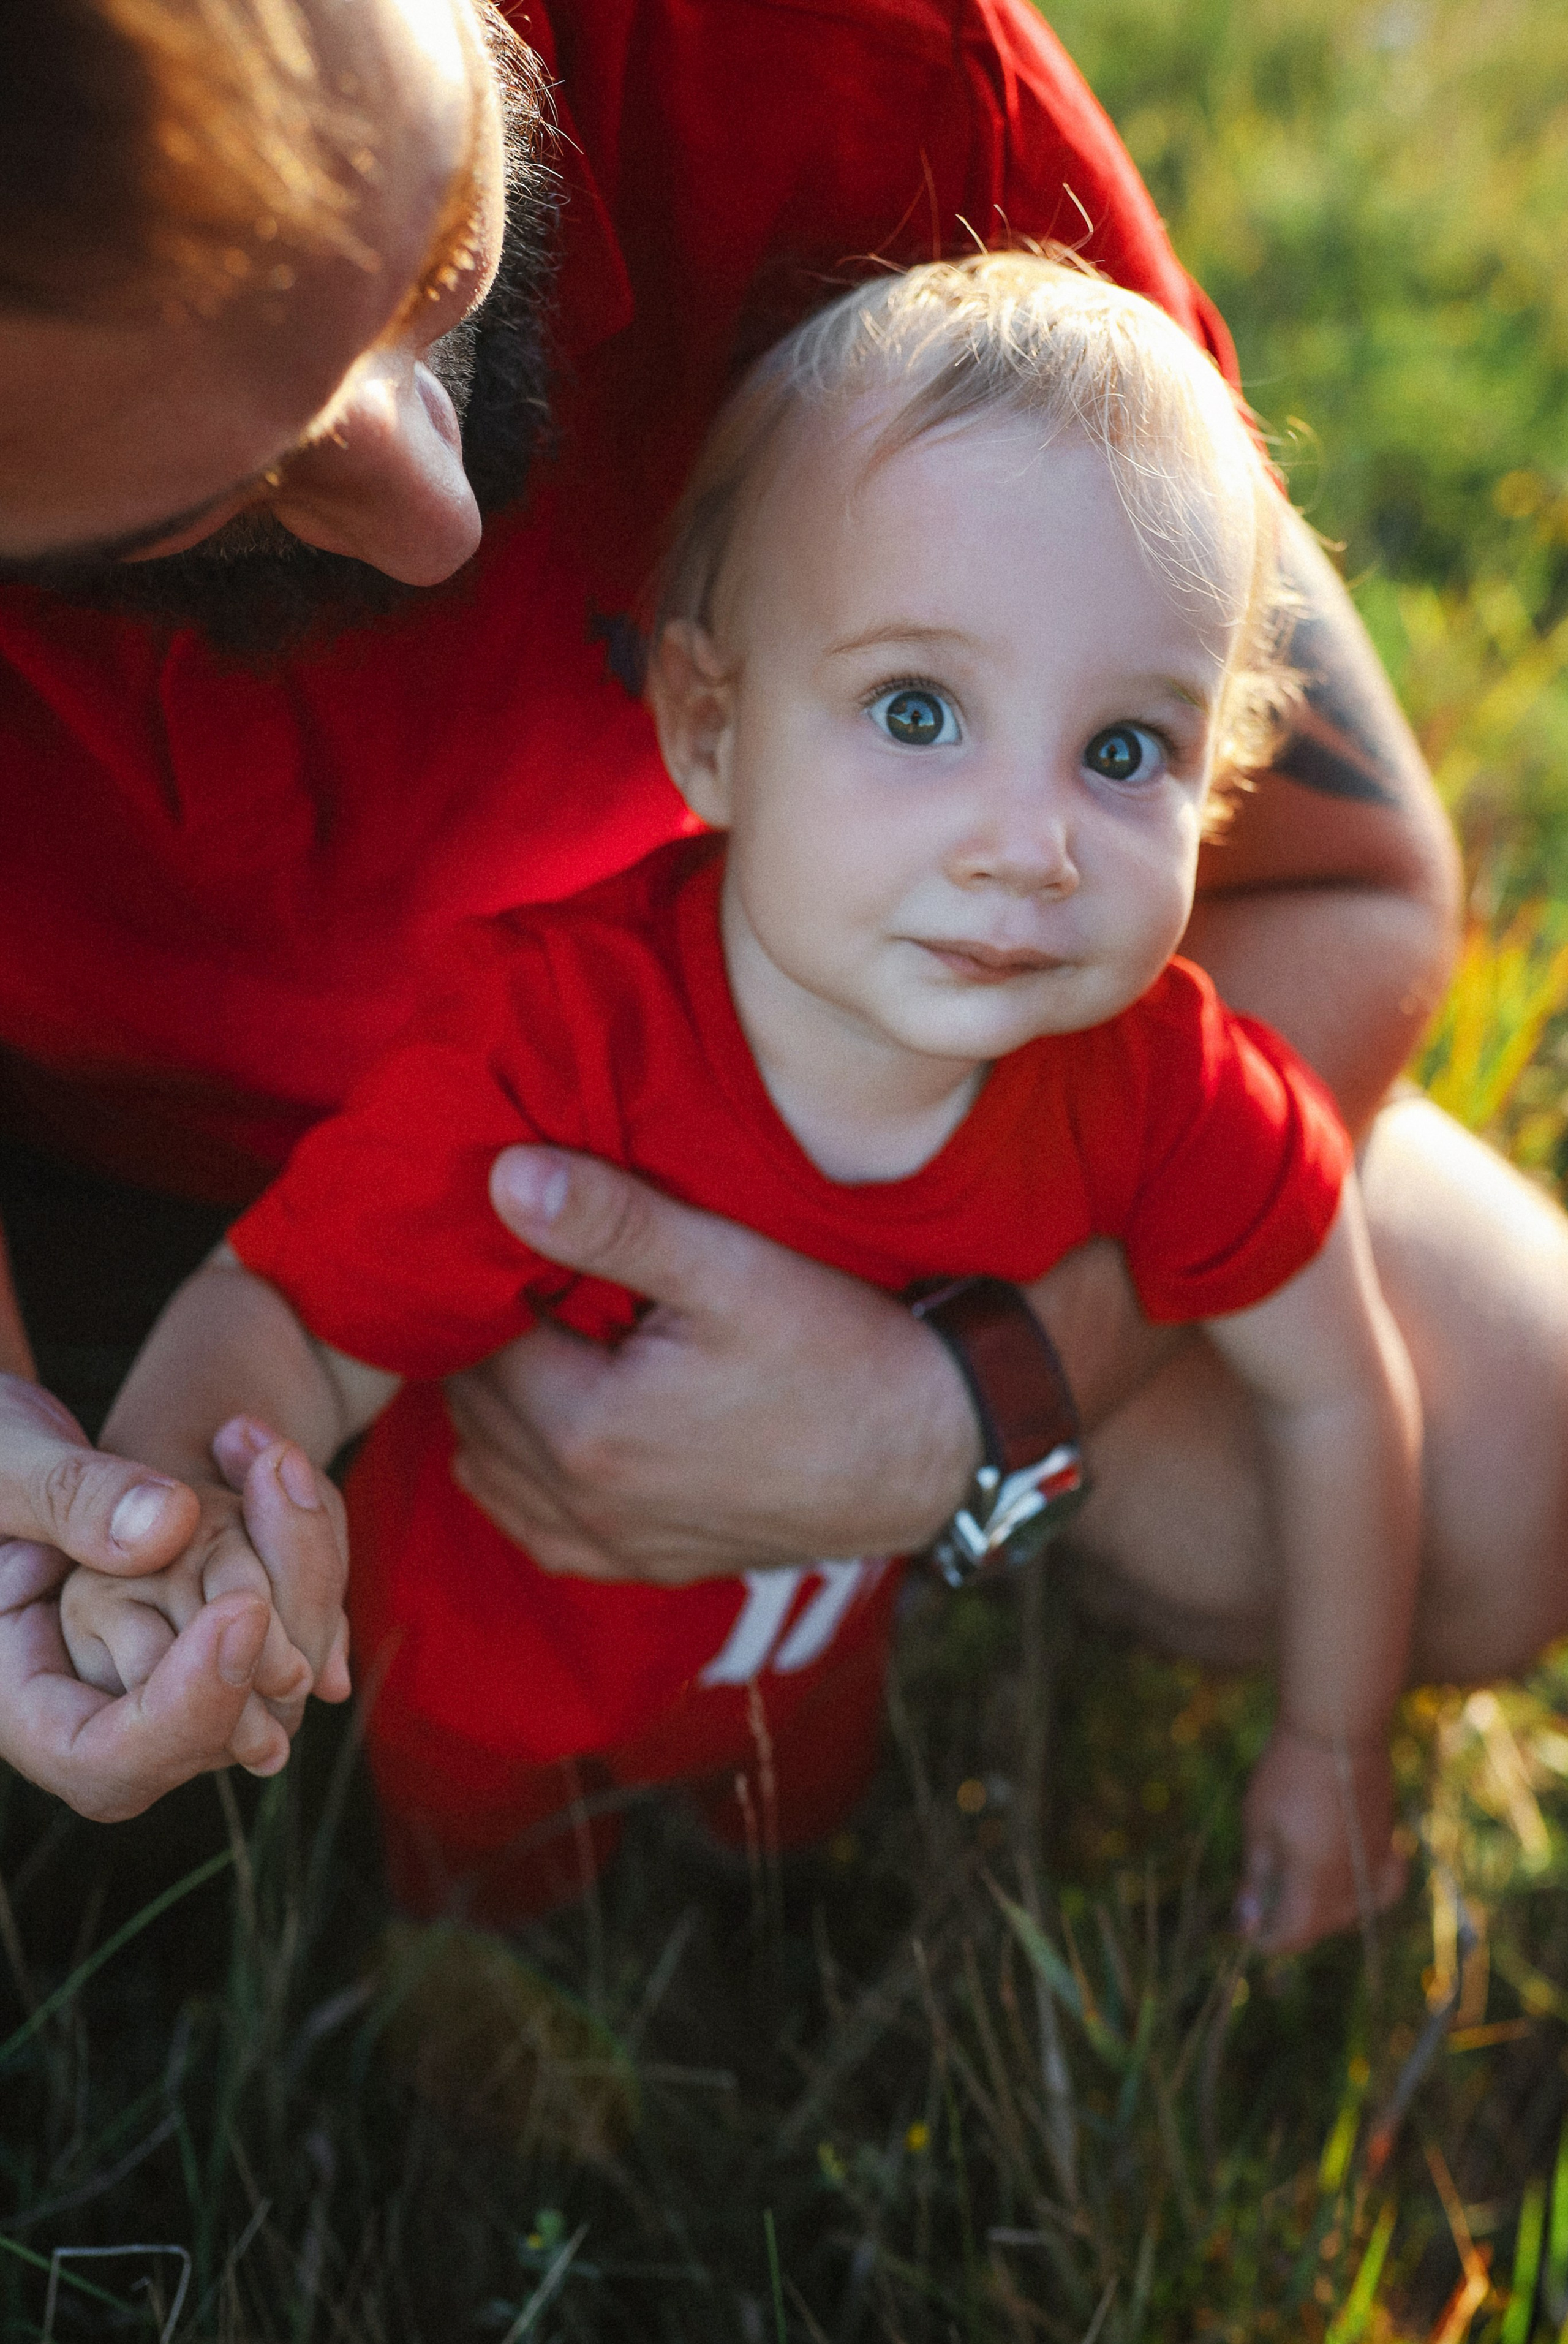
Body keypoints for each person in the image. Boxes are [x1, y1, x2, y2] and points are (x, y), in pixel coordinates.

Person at [0, 0, 1562, 1836]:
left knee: (1515, 1458)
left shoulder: (840, 61)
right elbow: (270, 1323)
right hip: (113, 1177)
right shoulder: (557, 1041)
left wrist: (971, 1403)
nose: (438, 519)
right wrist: (113, 1516)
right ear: (705, 715)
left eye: (440, 255)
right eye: (226, 501)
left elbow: (1353, 881)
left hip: (881, 1116)